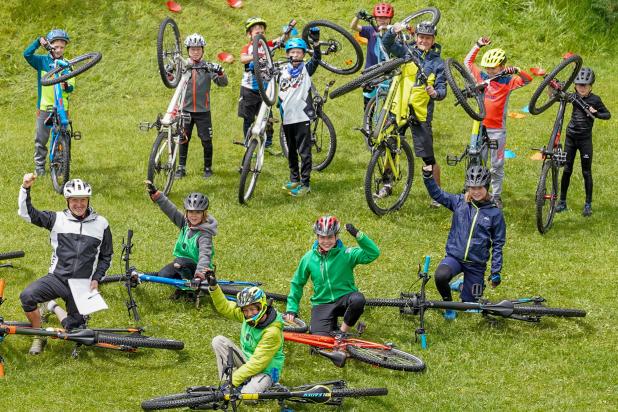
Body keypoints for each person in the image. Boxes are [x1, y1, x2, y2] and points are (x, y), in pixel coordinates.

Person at [18, 175, 112, 354]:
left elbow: (106, 256)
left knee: (74, 331)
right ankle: (39, 335)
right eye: (74, 200)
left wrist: (96, 278)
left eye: (82, 200)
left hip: (81, 285)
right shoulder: (57, 219)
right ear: (67, 201)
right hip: (57, 278)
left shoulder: (101, 224)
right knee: (27, 296)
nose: (79, 204)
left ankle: (52, 306)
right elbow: (26, 213)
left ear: (88, 200)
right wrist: (25, 188)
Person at [423, 165, 505, 319]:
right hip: (455, 258)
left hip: (476, 265)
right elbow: (437, 194)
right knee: (440, 276)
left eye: (480, 187)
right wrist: (428, 176)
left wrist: (495, 272)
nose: (476, 191)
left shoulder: (495, 213)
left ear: (486, 186)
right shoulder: (459, 202)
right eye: (472, 187)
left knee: (469, 308)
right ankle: (449, 307)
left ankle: (462, 285)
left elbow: (498, 244)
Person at [382, 21, 447, 207]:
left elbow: (442, 88)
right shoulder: (406, 52)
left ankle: (437, 195)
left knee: (427, 156)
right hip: (399, 108)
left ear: (433, 40)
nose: (424, 40)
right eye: (421, 37)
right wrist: (393, 30)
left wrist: (436, 93)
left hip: (420, 113)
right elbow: (387, 44)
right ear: (416, 37)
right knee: (391, 146)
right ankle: (387, 184)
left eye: (427, 38)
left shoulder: (437, 63)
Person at [464, 37, 533, 208]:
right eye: (488, 67)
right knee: (477, 159)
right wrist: (478, 45)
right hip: (480, 126)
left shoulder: (508, 81)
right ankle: (474, 192)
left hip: (497, 129)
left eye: (493, 68)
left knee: (496, 164)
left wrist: (516, 70)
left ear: (502, 67)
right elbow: (467, 62)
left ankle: (495, 195)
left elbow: (527, 80)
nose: (490, 70)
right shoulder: (482, 76)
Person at [284, 216, 380, 336]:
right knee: (318, 342)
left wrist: (358, 235)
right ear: (317, 237)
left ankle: (342, 332)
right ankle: (333, 325)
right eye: (322, 237)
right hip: (322, 303)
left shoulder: (346, 253)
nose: (326, 241)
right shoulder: (309, 258)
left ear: (336, 236)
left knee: (358, 300)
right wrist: (292, 308)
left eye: (330, 237)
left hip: (345, 299)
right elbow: (297, 283)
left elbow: (373, 253)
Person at [206, 271, 285, 394]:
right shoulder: (246, 317)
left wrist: (234, 380)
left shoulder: (272, 332)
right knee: (218, 341)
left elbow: (257, 364)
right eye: (245, 310)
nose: (249, 314)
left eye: (253, 309)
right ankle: (228, 384)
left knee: (247, 395)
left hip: (266, 370)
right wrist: (214, 287)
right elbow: (225, 307)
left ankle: (271, 385)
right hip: (247, 363)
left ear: (262, 306)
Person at [555, 67, 611, 217]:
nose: (582, 88)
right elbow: (558, 94)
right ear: (575, 86)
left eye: (585, 86)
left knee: (586, 171)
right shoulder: (573, 96)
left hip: (585, 140)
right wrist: (552, 85)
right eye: (579, 85)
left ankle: (588, 204)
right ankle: (562, 202)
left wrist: (596, 113)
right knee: (567, 170)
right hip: (571, 137)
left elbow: (608, 115)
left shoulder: (595, 99)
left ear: (591, 86)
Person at [174, 33, 228, 179]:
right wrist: (169, 69)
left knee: (206, 140)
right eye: (192, 49)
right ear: (188, 51)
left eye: (198, 49)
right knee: (183, 139)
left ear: (203, 50)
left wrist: (220, 71)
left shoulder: (207, 67)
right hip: (185, 109)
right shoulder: (184, 66)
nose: (195, 52)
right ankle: (181, 168)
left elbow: (223, 83)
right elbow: (171, 79)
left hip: (203, 111)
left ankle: (208, 168)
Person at [145, 181, 217, 290]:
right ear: (186, 212)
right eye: (191, 212)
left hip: (200, 270)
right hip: (183, 264)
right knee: (163, 275)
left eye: (198, 212)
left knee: (180, 262)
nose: (194, 216)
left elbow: (204, 257)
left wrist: (199, 276)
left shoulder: (204, 235)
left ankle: (190, 291)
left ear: (204, 213)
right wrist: (158, 196)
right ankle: (182, 284)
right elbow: (172, 211)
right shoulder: (186, 224)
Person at [24, 29, 75, 176]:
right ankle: (39, 166)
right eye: (55, 46)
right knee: (41, 138)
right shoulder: (41, 62)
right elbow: (26, 55)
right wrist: (37, 42)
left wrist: (68, 86)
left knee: (61, 136)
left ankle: (60, 165)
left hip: (62, 107)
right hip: (44, 106)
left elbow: (72, 84)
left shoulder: (67, 64)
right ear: (50, 45)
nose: (59, 50)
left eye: (62, 47)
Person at [238, 17, 288, 156]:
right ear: (249, 35)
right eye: (256, 33)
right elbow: (242, 58)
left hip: (265, 90)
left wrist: (287, 32)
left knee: (267, 118)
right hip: (249, 89)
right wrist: (255, 56)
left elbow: (280, 40)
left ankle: (267, 144)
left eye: (262, 33)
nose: (260, 35)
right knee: (248, 119)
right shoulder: (248, 48)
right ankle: (248, 144)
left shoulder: (267, 45)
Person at [279, 34, 321, 197]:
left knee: (304, 152)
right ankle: (294, 179)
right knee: (291, 151)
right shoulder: (282, 70)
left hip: (302, 117)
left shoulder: (306, 69)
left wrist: (316, 44)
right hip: (287, 117)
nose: (295, 55)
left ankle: (305, 184)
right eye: (292, 52)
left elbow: (316, 59)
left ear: (303, 54)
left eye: (298, 52)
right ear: (287, 53)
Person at [350, 2, 394, 108]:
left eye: (385, 18)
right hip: (370, 70)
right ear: (375, 19)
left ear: (390, 19)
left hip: (387, 71)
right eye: (379, 18)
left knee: (388, 103)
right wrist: (357, 16)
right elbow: (353, 26)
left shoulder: (393, 31)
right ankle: (367, 123)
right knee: (369, 102)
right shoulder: (371, 30)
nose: (382, 20)